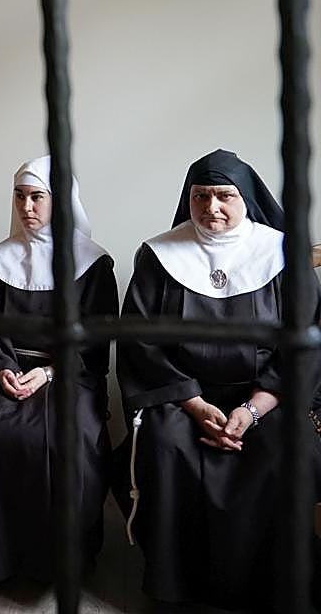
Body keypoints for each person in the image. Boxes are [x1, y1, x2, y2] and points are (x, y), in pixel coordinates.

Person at [115, 149, 321, 609]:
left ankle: (275, 583)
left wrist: (251, 409)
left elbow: (304, 344)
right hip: (181, 395)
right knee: (165, 446)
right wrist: (194, 403)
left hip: (269, 398)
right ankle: (176, 587)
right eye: (200, 196)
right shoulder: (157, 254)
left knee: (286, 448)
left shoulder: (283, 253)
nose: (212, 208)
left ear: (245, 198)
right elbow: (141, 342)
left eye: (224, 196)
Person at [0, 156, 117, 583]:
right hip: (2, 366)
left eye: (38, 197)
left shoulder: (93, 264)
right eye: (20, 197)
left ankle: (60, 563)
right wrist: (1, 367)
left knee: (67, 435)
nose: (27, 208)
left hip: (68, 373)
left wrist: (48, 373)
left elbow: (94, 338)